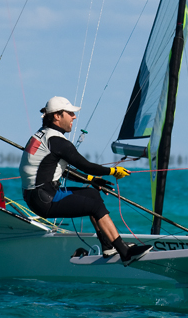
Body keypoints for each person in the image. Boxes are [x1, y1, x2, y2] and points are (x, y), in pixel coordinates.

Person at [19, 96, 151, 264]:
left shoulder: (41, 135)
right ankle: (125, 252)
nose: (74, 117)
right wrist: (112, 171)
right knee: (94, 206)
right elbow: (86, 166)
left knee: (92, 194)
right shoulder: (57, 141)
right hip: (45, 199)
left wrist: (91, 180)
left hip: (38, 196)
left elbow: (57, 170)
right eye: (70, 113)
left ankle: (108, 246)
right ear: (57, 116)